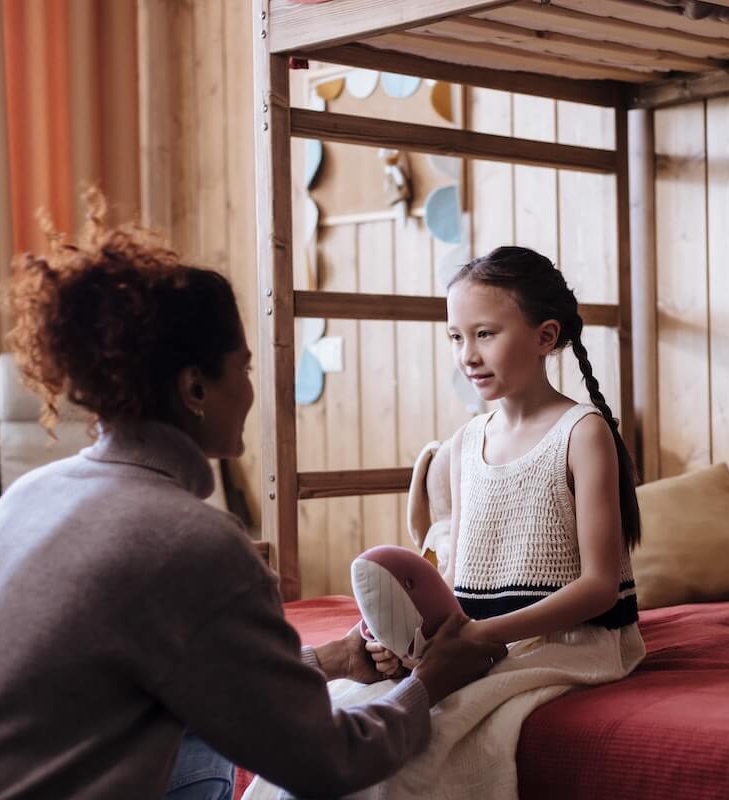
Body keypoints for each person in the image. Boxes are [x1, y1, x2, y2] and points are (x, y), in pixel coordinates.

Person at [0, 192, 504, 800]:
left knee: (203, 735)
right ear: (195, 388)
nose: (253, 393)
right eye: (245, 368)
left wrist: (334, 659)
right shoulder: (191, 541)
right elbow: (330, 760)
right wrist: (428, 682)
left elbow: (176, 670)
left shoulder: (35, 495)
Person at [247, 246, 646, 800]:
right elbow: (455, 586)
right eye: (456, 337)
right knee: (331, 720)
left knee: (429, 741)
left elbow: (601, 588)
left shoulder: (583, 432)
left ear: (545, 336)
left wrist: (482, 635)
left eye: (485, 334)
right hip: (480, 638)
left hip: (566, 641)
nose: (467, 354)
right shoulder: (462, 446)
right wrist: (410, 643)